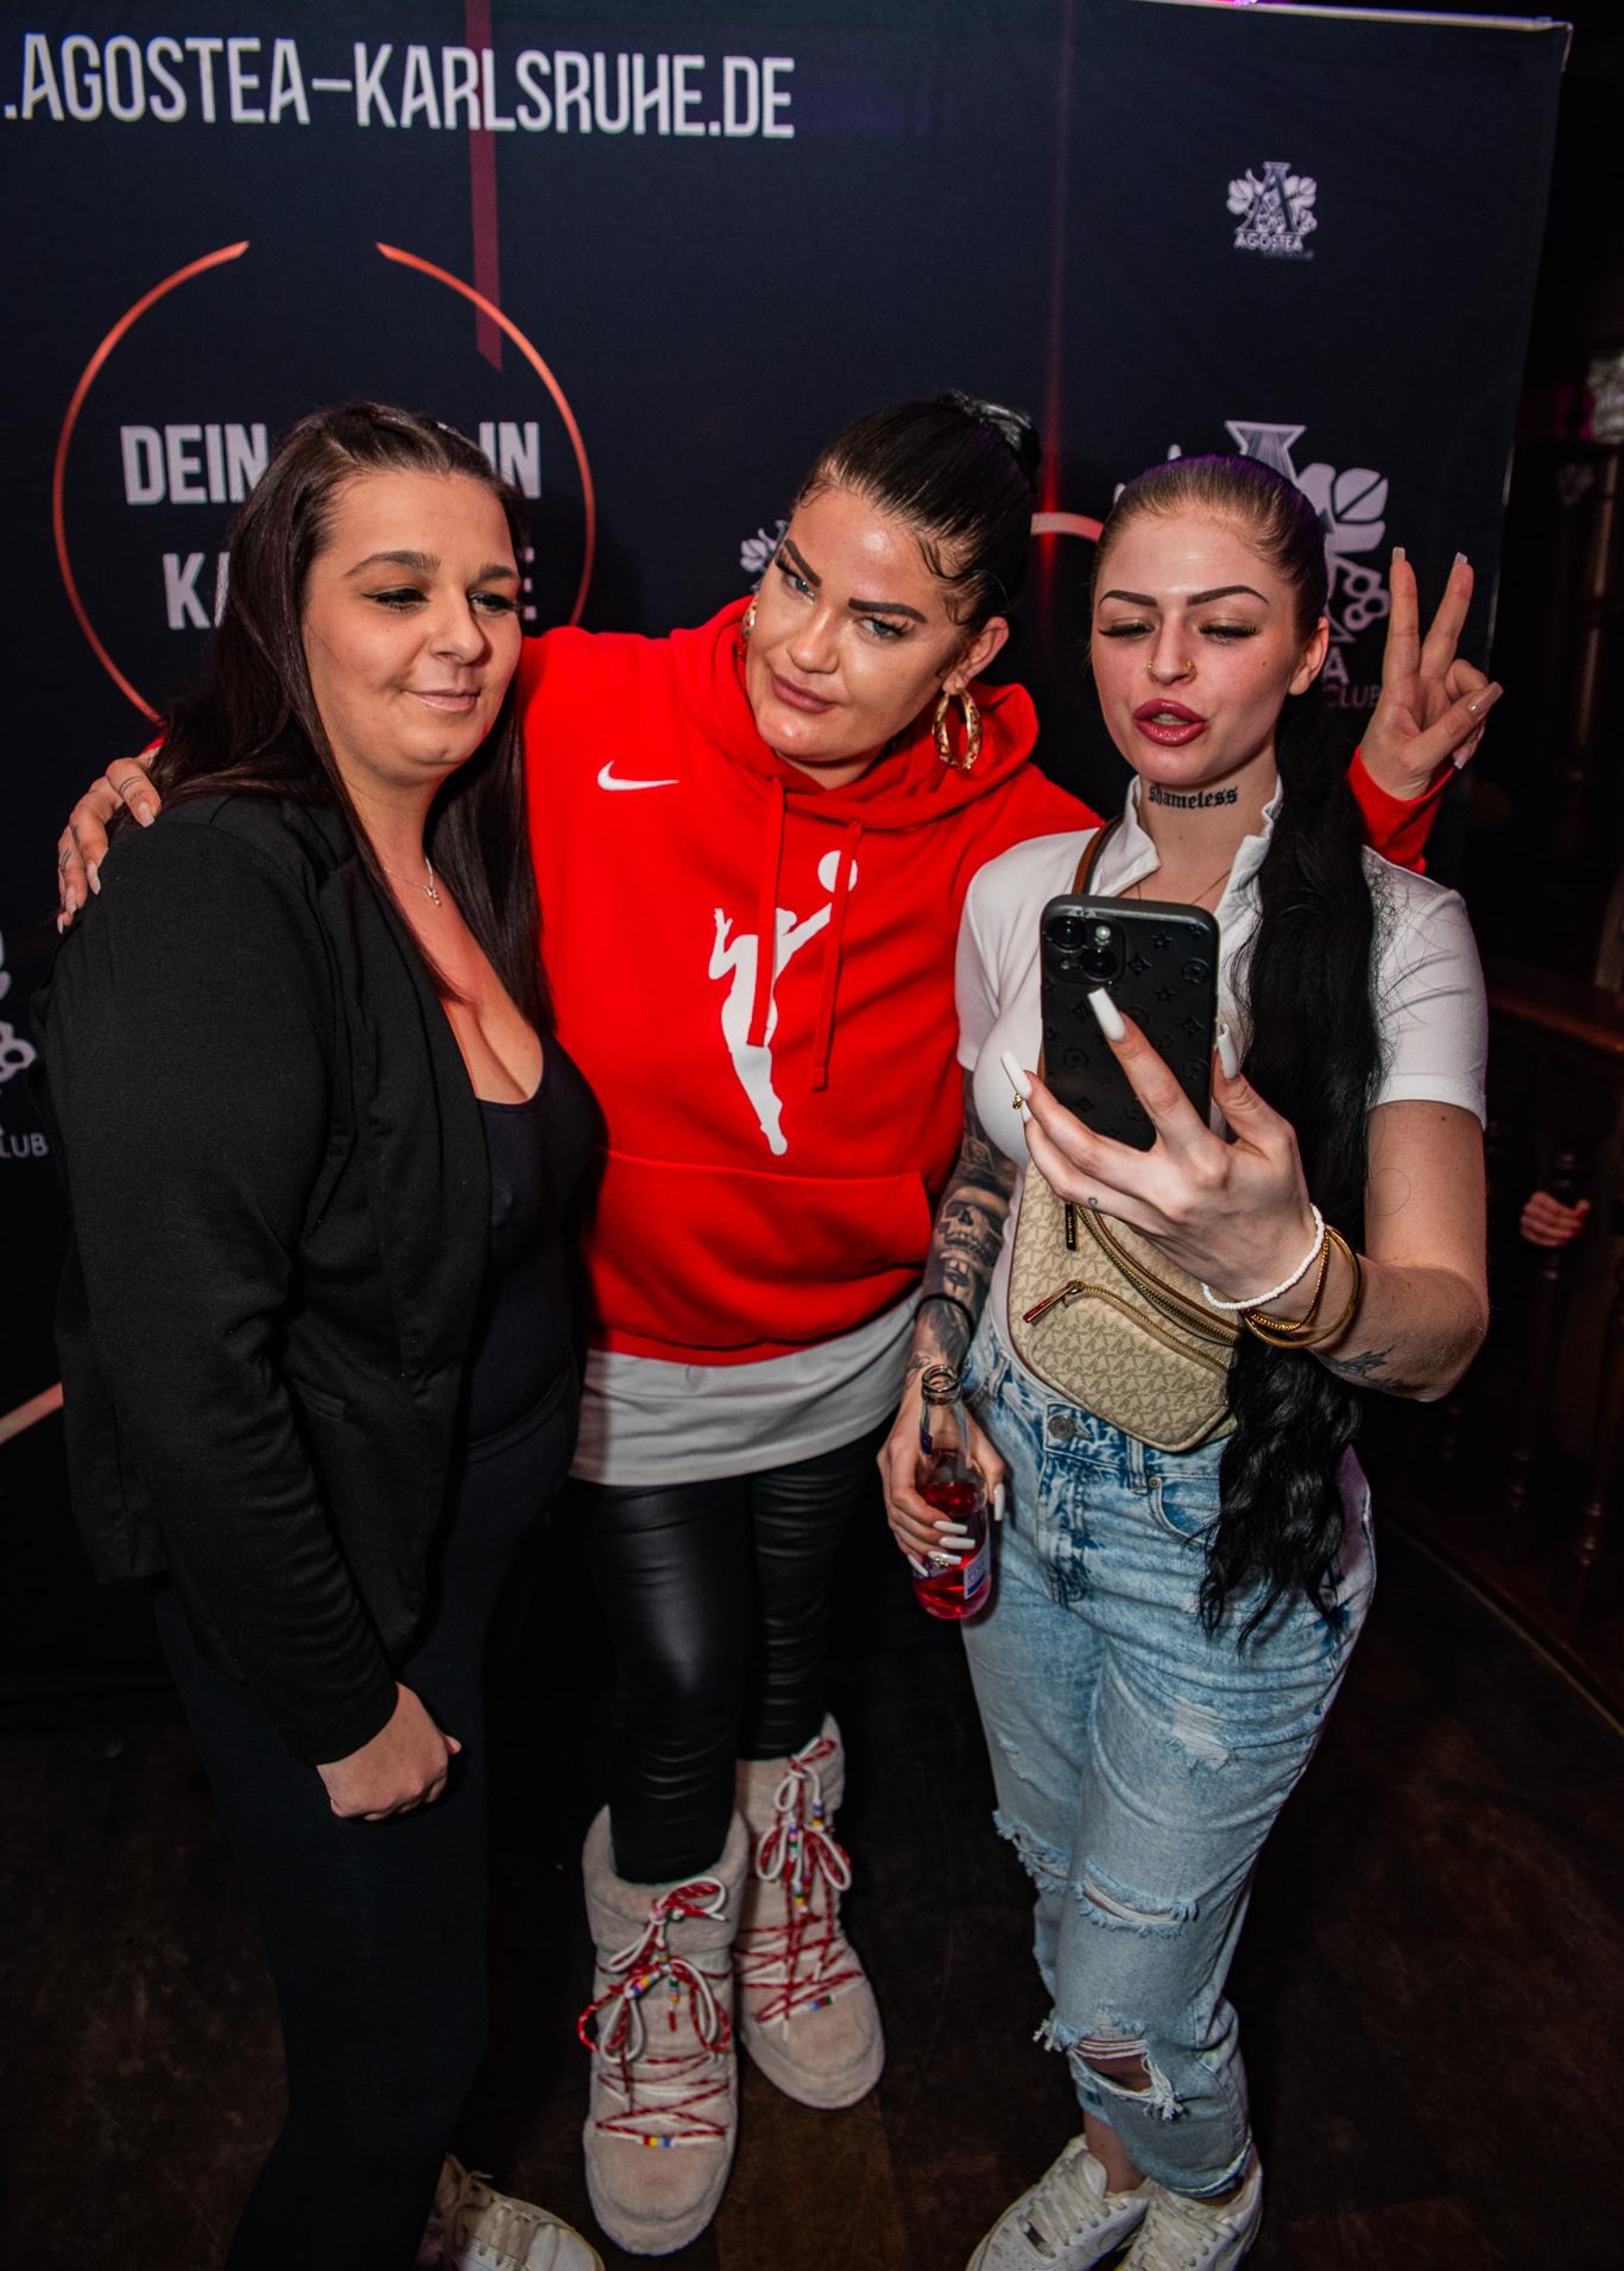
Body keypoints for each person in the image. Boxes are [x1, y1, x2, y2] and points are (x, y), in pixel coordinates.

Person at [54, 396, 1494, 2259]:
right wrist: (153, 772)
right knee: (676, 1674)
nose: (803, 645)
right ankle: (667, 1942)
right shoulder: (576, 694)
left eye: (880, 622)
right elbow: (331, 708)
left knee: (792, 1664)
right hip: (626, 1357)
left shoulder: (1019, 838)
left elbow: (1252, 918)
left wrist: (1381, 803)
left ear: (974, 653)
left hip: (857, 1358)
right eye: (791, 579)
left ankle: (784, 1898)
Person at [879, 454, 1489, 2271]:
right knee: (1059, 1885)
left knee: (1128, 1985)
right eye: (1127, 621)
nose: (1164, 666)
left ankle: (1203, 2188)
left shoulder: (1399, 933)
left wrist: (1287, 1267)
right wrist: (931, 1377)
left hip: (1225, 1552)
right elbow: (987, 1167)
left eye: (1222, 627)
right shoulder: (1019, 891)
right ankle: (1119, 2160)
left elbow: (1444, 1328)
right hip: (1018, 1505)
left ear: (1305, 651)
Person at [37, 404, 603, 2271]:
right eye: (397, 589)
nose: (463, 636)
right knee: (394, 2062)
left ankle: (420, 2215)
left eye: (493, 595)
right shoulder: (214, 886)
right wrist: (342, 1707)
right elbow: (190, 1376)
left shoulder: (455, 843)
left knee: (425, 2007)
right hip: (335, 1609)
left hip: (459, 1565)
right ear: (284, 608)